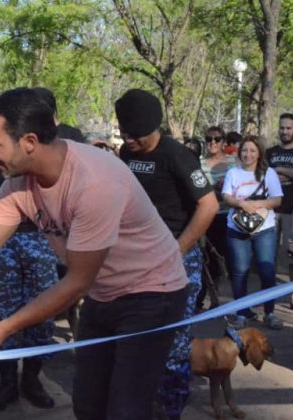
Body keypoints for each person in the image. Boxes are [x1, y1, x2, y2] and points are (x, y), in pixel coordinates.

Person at [0, 88, 189, 420]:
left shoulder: (95, 182)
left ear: (29, 141)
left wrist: (5, 327)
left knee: (126, 408)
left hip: (152, 293)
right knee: (88, 403)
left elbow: (76, 283)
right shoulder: (17, 185)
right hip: (104, 294)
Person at [116, 89, 218, 420]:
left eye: (137, 135)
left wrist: (177, 250)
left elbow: (209, 205)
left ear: (154, 127)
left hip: (176, 256)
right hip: (136, 258)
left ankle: (170, 407)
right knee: (138, 335)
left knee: (174, 339)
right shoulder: (126, 154)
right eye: (125, 133)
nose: (130, 140)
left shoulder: (178, 156)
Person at [0, 140, 59, 411]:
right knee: (1, 312)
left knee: (44, 313)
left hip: (40, 237)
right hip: (2, 237)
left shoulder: (46, 146)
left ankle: (32, 379)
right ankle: (7, 382)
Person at [223, 136, 284, 330]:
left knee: (267, 271)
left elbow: (276, 200)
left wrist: (255, 205)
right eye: (244, 150)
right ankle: (241, 313)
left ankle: (270, 313)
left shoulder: (269, 173)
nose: (247, 154)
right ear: (240, 153)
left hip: (264, 229)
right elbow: (226, 196)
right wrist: (241, 204)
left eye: (252, 151)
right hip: (237, 229)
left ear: (259, 154)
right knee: (239, 272)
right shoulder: (233, 173)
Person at [199, 126, 237, 311]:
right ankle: (204, 298)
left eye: (217, 139)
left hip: (228, 216)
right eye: (208, 139)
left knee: (225, 260)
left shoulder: (234, 162)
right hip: (206, 216)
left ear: (224, 142)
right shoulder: (199, 163)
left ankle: (219, 299)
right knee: (206, 260)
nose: (212, 143)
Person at [272, 113, 293, 310]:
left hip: (292, 211)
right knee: (268, 253)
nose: (285, 131)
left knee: (292, 253)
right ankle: (268, 293)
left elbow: (274, 173)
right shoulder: (270, 152)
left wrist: (280, 169)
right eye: (282, 127)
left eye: (288, 128)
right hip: (270, 209)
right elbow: (263, 174)